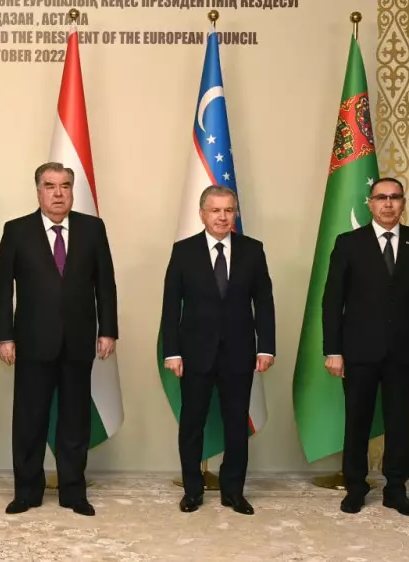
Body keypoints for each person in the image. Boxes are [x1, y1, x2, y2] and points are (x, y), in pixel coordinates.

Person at [0, 162, 117, 517]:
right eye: (50, 186)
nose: (58, 193)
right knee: (29, 419)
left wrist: (108, 330)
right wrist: (4, 336)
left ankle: (73, 492)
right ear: (38, 191)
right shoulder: (17, 230)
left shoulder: (92, 229)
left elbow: (105, 284)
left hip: (79, 340)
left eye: (65, 186)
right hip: (31, 341)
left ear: (72, 191)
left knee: (75, 419)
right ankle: (26, 492)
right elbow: (2, 289)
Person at [323, 177, 409, 517]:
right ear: (369, 203)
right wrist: (333, 350)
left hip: (404, 352)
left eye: (395, 197)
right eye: (381, 198)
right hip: (358, 351)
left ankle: (396, 490)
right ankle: (355, 488)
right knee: (357, 421)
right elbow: (333, 301)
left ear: (403, 202)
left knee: (399, 423)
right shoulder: (348, 243)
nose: (388, 204)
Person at [160, 184, 275, 516]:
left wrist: (266, 347)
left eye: (228, 210)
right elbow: (171, 305)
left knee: (236, 424)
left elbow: (263, 302)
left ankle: (233, 491)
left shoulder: (253, 250)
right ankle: (192, 490)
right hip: (194, 353)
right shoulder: (184, 251)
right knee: (192, 423)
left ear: (235, 214)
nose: (222, 217)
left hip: (239, 353)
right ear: (202, 214)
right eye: (215, 210)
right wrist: (172, 352)